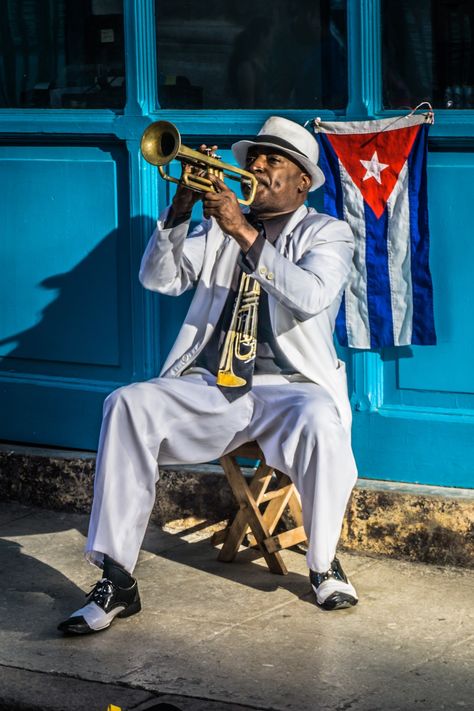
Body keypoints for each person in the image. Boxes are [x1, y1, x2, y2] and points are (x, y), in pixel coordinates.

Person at [58, 116, 358, 636]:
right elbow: (159, 278)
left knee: (321, 422)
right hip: (214, 384)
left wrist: (242, 230)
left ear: (302, 181)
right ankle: (116, 577)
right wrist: (180, 211)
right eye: (254, 158)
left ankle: (324, 563)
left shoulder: (328, 232)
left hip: (292, 389)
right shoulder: (217, 229)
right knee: (126, 403)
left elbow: (310, 295)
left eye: (272, 161)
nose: (257, 167)